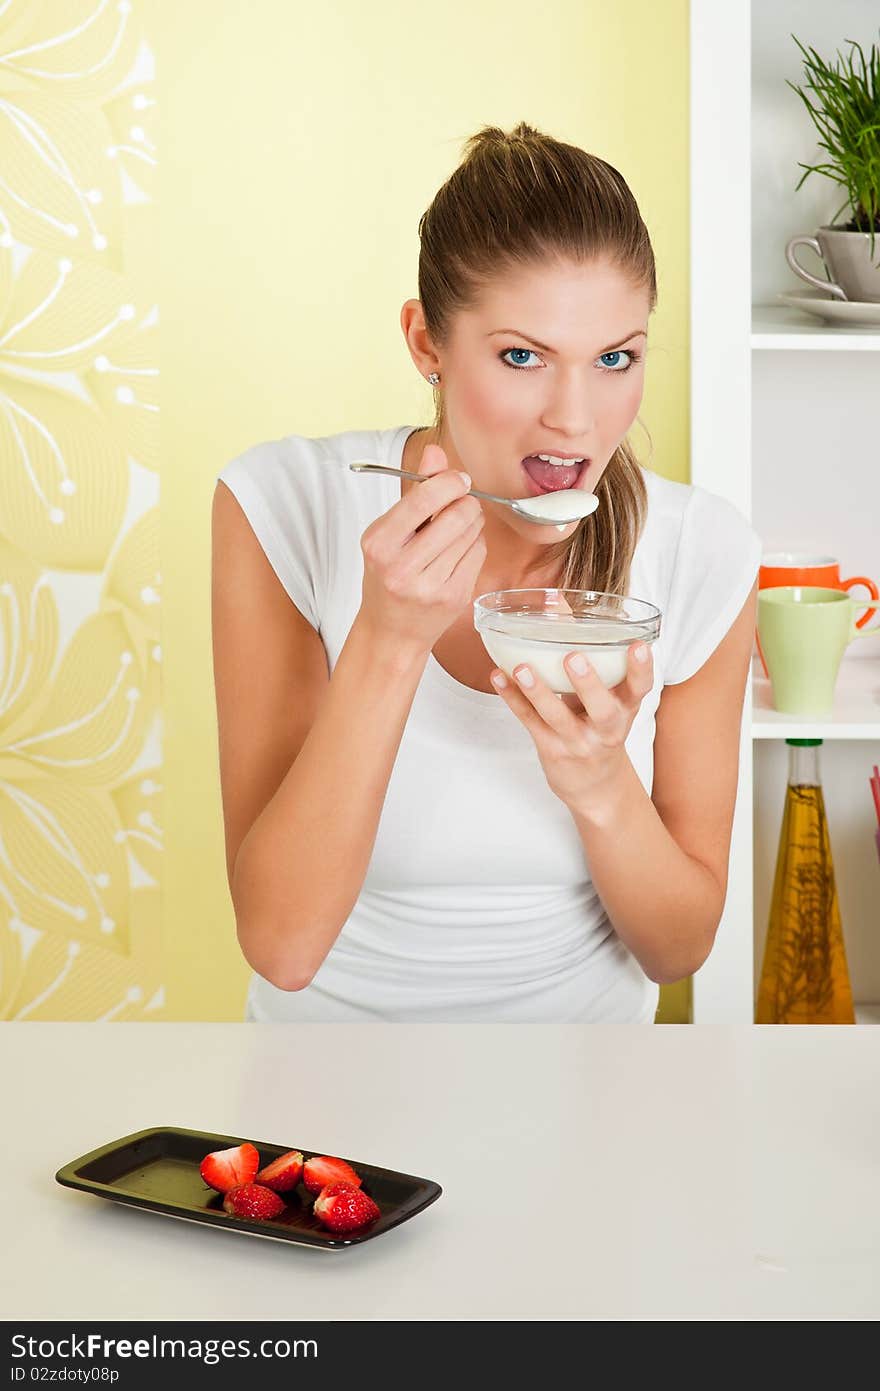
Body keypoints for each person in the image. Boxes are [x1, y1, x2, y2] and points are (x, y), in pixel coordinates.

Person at [211, 122, 761, 1024]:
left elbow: (678, 950)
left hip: (590, 1105)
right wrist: (388, 639)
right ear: (426, 342)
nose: (575, 419)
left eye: (615, 358)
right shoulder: (285, 504)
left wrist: (598, 780)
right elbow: (282, 945)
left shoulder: (703, 551)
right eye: (521, 356)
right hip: (329, 1117)